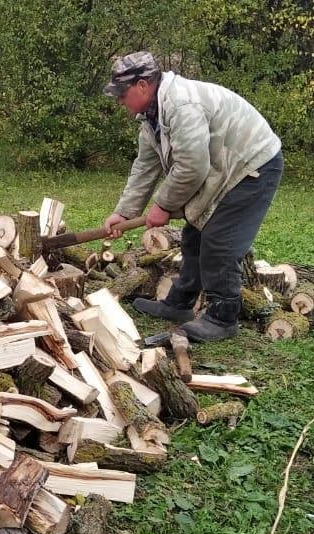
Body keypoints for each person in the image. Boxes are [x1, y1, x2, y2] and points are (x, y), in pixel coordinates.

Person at [101, 51, 283, 341]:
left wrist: (162, 205)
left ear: (143, 85)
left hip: (253, 165)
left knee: (220, 241)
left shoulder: (181, 104)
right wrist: (124, 212)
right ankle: (179, 304)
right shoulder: (150, 118)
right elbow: (145, 167)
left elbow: (192, 166)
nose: (120, 101)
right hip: (225, 168)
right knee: (194, 235)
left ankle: (223, 319)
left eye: (122, 94)